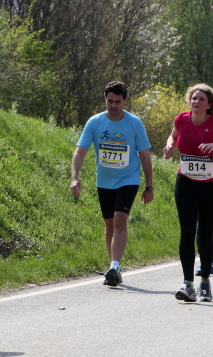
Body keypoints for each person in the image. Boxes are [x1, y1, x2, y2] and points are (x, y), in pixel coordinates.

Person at [70, 81, 153, 287]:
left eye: (117, 102)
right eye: (110, 101)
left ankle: (115, 266)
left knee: (119, 221)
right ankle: (112, 268)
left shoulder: (134, 123)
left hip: (128, 180)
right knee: (109, 224)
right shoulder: (95, 122)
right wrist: (74, 177)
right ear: (105, 100)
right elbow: (80, 152)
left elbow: (144, 156)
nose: (113, 105)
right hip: (105, 181)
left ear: (125, 101)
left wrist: (149, 186)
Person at [164, 84, 213, 302]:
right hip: (186, 181)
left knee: (204, 233)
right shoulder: (181, 119)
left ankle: (204, 281)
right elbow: (173, 137)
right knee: (186, 231)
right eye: (194, 98)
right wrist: (169, 147)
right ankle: (187, 283)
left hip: (210, 184)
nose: (196, 102)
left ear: (209, 104)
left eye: (201, 99)